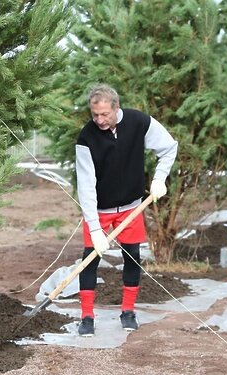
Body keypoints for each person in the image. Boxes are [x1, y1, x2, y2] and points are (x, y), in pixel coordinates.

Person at [74, 84, 177, 337]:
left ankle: (128, 311)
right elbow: (86, 185)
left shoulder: (139, 122)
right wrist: (95, 228)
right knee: (90, 259)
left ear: (116, 107)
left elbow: (169, 147)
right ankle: (87, 316)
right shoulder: (87, 138)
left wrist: (159, 178)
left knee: (133, 257)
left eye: (104, 114)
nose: (99, 120)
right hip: (100, 209)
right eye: (95, 115)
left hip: (131, 207)